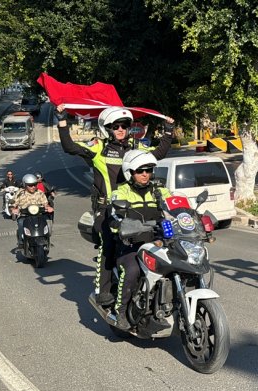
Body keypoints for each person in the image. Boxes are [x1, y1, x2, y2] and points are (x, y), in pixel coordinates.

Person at [55, 104, 174, 306]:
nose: (120, 129)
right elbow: (69, 147)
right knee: (108, 243)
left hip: (135, 208)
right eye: (115, 126)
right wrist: (62, 120)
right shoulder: (98, 148)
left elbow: (159, 153)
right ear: (106, 129)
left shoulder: (137, 149)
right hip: (107, 210)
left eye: (124, 126)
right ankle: (103, 290)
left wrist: (169, 130)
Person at [109, 150, 171, 329]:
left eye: (148, 169)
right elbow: (115, 218)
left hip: (157, 244)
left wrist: (191, 216)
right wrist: (123, 226)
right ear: (130, 172)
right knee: (133, 270)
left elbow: (177, 206)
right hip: (131, 246)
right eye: (140, 170)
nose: (145, 174)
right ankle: (120, 311)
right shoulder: (122, 192)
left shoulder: (160, 191)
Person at [11, 174, 53, 248]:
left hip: (39, 214)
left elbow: (45, 203)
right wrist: (14, 209)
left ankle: (47, 239)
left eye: (34, 184)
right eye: (30, 185)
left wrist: (48, 207)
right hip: (25, 215)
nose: (33, 187)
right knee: (21, 223)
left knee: (46, 222)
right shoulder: (20, 193)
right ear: (25, 185)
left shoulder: (39, 192)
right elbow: (13, 204)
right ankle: (21, 242)